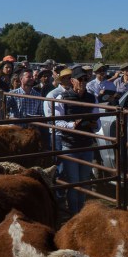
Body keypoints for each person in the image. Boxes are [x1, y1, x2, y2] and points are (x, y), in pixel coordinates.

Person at [55, 67, 98, 215]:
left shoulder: (92, 98)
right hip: (70, 144)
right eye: (80, 79)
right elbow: (57, 123)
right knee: (74, 182)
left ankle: (81, 212)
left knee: (84, 180)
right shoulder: (62, 97)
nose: (83, 82)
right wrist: (73, 125)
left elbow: (97, 120)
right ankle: (75, 213)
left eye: (85, 79)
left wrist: (93, 123)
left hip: (86, 143)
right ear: (72, 81)